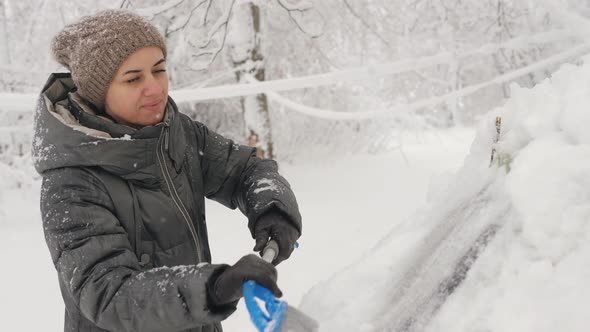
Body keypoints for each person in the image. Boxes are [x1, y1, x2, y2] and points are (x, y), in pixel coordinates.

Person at [33, 9, 302, 332]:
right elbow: (110, 294)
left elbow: (246, 170)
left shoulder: (178, 134)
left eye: (159, 70)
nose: (155, 88)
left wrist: (273, 209)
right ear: (97, 92)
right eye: (133, 79)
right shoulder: (70, 182)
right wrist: (213, 288)